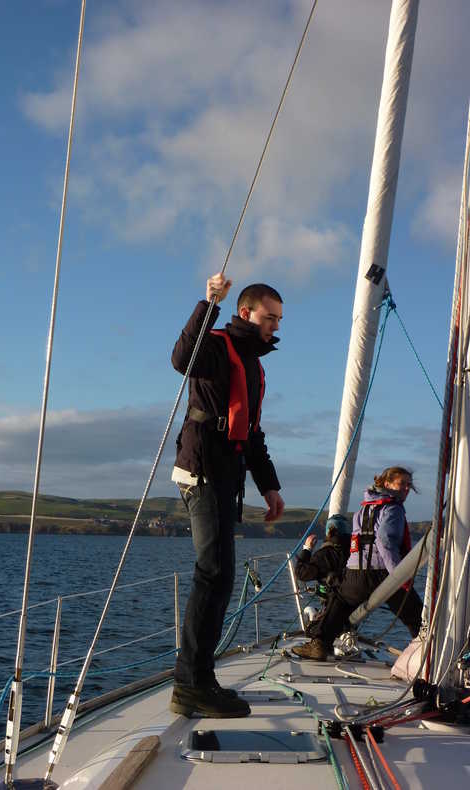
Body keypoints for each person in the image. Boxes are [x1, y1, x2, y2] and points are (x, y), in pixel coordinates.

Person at [169, 272, 285, 718]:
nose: (275, 326)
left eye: (278, 320)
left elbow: (251, 435)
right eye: (270, 317)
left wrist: (269, 487)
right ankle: (191, 683)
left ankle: (199, 679)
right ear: (245, 312)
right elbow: (182, 359)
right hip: (200, 470)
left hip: (225, 475)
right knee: (213, 571)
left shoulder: (253, 365)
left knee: (220, 575)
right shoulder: (216, 344)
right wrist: (207, 302)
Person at [293, 466, 423, 661]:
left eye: (408, 485)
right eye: (401, 483)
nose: (406, 488)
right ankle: (429, 650)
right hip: (383, 572)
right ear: (387, 484)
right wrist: (399, 576)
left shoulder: (363, 509)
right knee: (416, 616)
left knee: (340, 600)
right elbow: (384, 540)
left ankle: (320, 644)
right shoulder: (393, 509)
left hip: (356, 573)